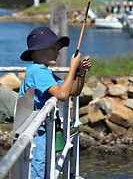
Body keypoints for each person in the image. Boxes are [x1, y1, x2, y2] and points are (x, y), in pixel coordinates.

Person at [19, 26, 91, 179]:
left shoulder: (44, 72)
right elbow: (62, 95)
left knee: (44, 170)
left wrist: (80, 71)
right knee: (37, 172)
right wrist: (72, 67)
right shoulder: (38, 71)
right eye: (54, 48)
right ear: (38, 50)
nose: (58, 52)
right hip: (36, 135)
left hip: (42, 132)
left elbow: (73, 90)